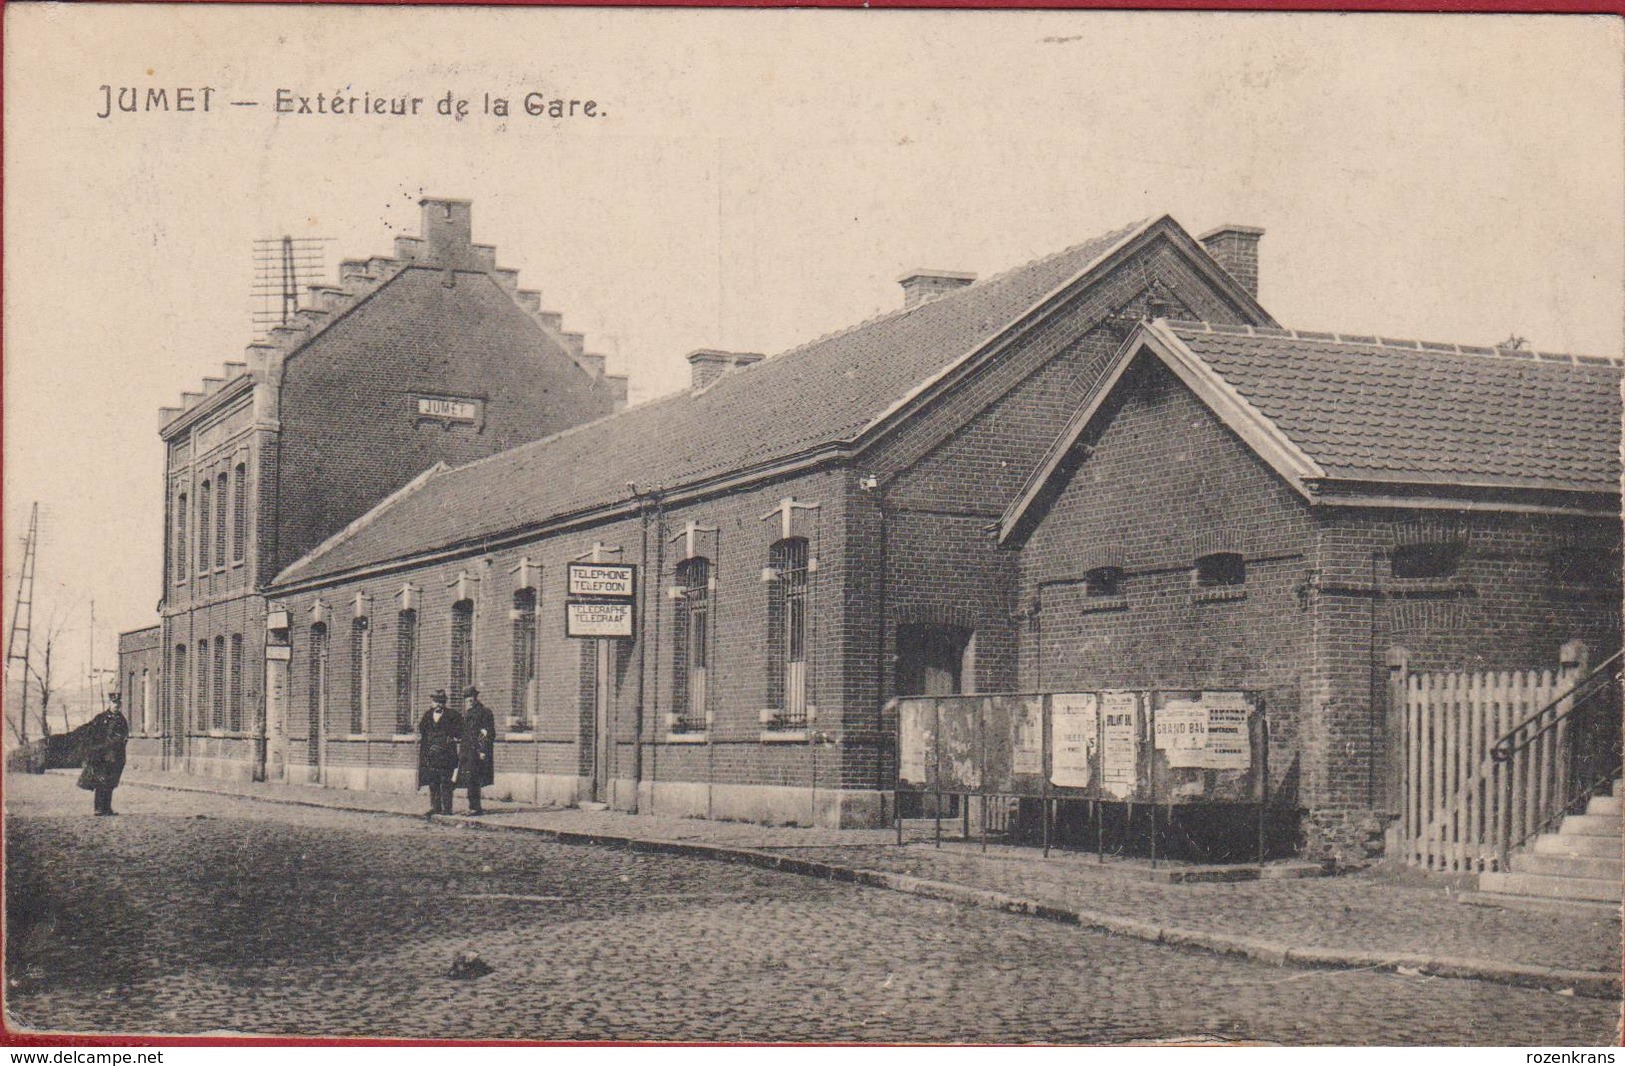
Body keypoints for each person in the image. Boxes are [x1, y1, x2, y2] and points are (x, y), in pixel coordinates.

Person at [81, 693, 130, 816]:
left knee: (110, 783)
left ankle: (107, 808)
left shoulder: (121, 720)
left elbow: (123, 737)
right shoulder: (100, 718)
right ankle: (98, 808)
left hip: (115, 757)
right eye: (114, 703)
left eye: (118, 703)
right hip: (101, 756)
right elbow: (91, 733)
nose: (116, 706)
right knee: (100, 782)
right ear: (109, 703)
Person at [417, 689, 461, 816]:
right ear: (432, 702)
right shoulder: (427, 716)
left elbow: (459, 732)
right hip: (431, 755)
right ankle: (435, 807)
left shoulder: (452, 716)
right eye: (436, 701)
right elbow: (422, 732)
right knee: (433, 781)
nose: (438, 704)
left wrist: (451, 738)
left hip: (446, 755)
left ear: (445, 703)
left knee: (446, 781)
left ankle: (447, 809)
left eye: (441, 702)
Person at [458, 685, 495, 815]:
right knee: (469, 778)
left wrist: (482, 749)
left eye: (471, 698)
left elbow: (485, 732)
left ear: (475, 698)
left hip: (476, 752)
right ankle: (472, 806)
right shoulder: (469, 713)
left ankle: (475, 807)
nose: (469, 700)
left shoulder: (483, 712)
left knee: (474, 778)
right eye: (467, 698)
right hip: (467, 751)